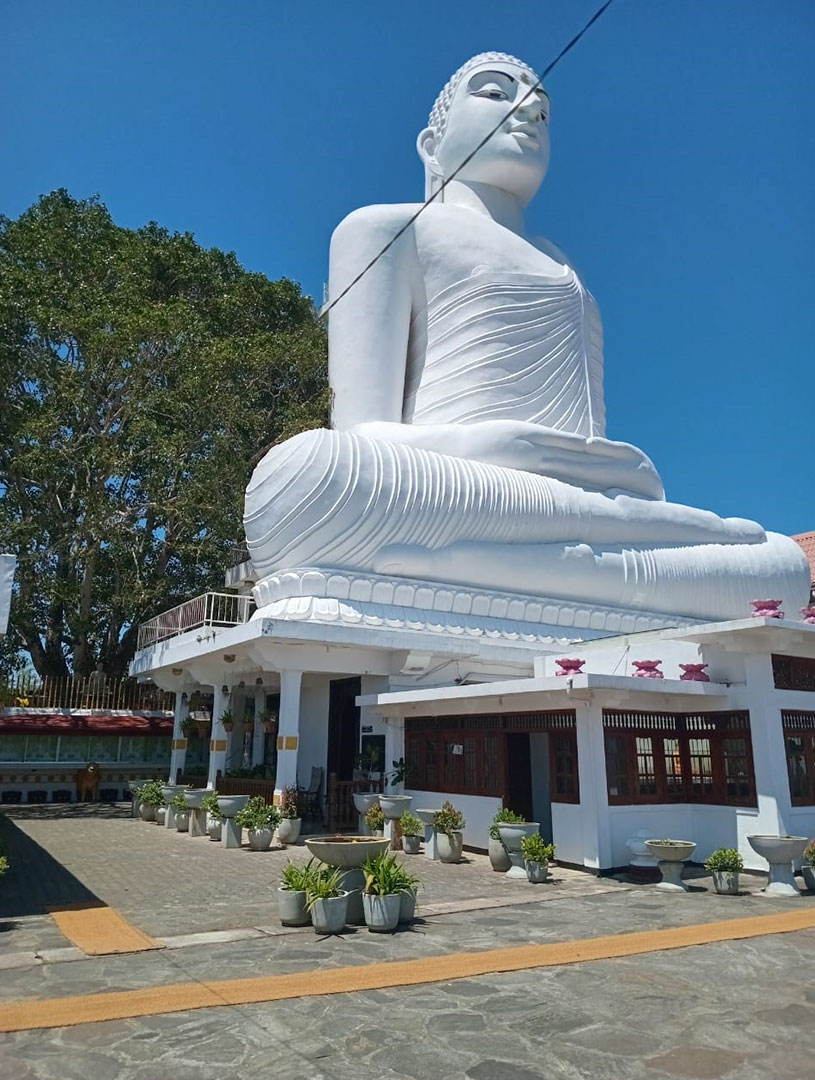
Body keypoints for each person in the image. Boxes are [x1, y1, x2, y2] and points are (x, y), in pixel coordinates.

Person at [244, 53, 808, 621]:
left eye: (543, 112)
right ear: (431, 145)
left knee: (780, 564)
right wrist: (492, 447)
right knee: (309, 474)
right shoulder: (387, 228)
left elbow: (589, 450)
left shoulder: (565, 266)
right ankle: (602, 568)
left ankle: (525, 566)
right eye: (495, 93)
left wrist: (619, 473)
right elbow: (361, 435)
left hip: (578, 504)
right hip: (464, 489)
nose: (528, 112)